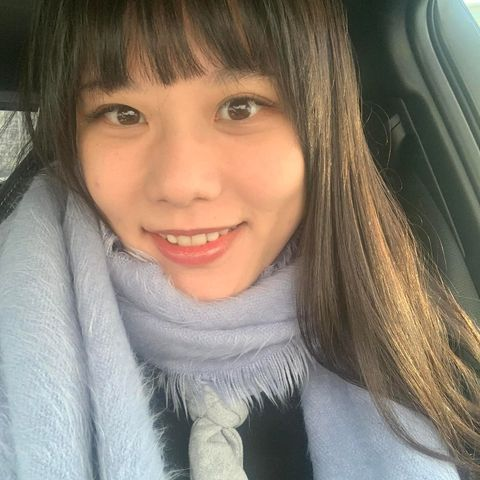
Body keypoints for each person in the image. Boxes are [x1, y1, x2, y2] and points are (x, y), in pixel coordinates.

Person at [0, 0, 478, 479]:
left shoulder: (437, 360)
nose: (181, 184)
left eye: (240, 107)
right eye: (123, 114)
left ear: (323, 125)